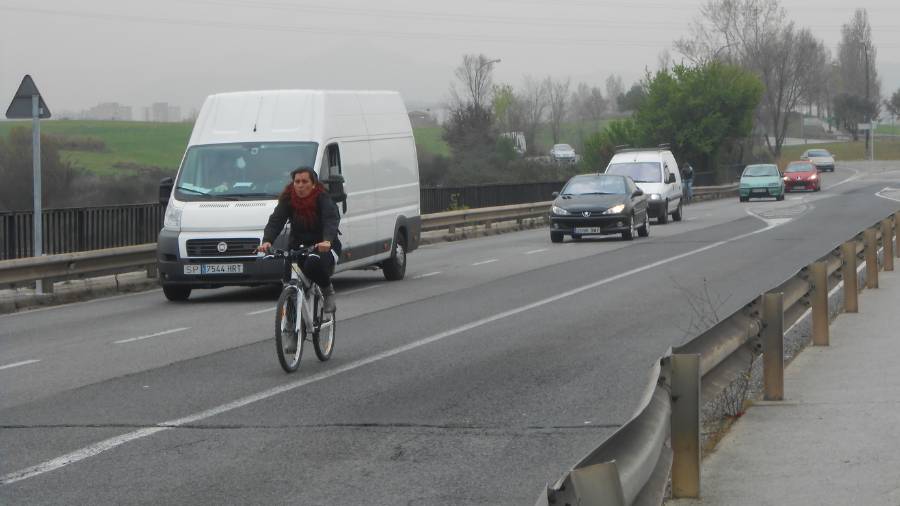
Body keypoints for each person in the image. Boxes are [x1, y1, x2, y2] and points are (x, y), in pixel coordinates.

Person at [257, 167, 341, 313]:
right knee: (288, 277)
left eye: (304, 181)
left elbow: (331, 220)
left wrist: (327, 240)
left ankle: (327, 291)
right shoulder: (288, 199)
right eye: (297, 181)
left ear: (313, 184)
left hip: (323, 246)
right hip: (298, 246)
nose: (300, 185)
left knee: (313, 263)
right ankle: (290, 318)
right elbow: (276, 221)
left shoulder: (323, 198)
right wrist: (267, 241)